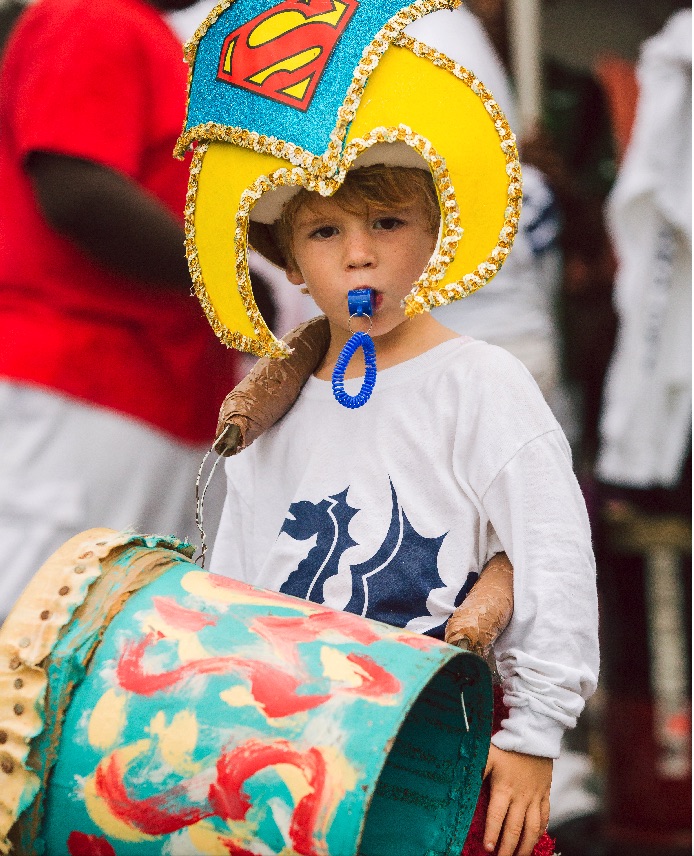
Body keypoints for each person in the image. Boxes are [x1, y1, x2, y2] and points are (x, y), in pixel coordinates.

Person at [181, 4, 599, 854]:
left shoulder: (482, 382)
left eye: (386, 223)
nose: (359, 255)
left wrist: (534, 737)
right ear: (291, 262)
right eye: (327, 232)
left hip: (449, 752)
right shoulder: (273, 410)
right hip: (306, 759)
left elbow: (552, 553)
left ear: (434, 233)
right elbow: (237, 587)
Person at [0, 0, 247, 621]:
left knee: (93, 646)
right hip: (84, 380)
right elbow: (76, 188)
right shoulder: (94, 13)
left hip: (145, 391)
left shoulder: (144, 30)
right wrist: (229, 281)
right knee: (36, 638)